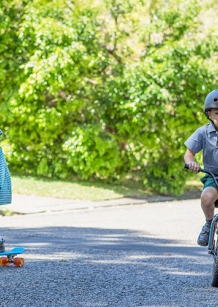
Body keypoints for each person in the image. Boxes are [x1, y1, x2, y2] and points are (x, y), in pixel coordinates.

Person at [184, 89, 218, 246]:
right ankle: (209, 224)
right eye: (217, 113)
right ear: (209, 114)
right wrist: (192, 163)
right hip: (214, 178)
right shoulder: (203, 133)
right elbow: (189, 153)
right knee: (206, 197)